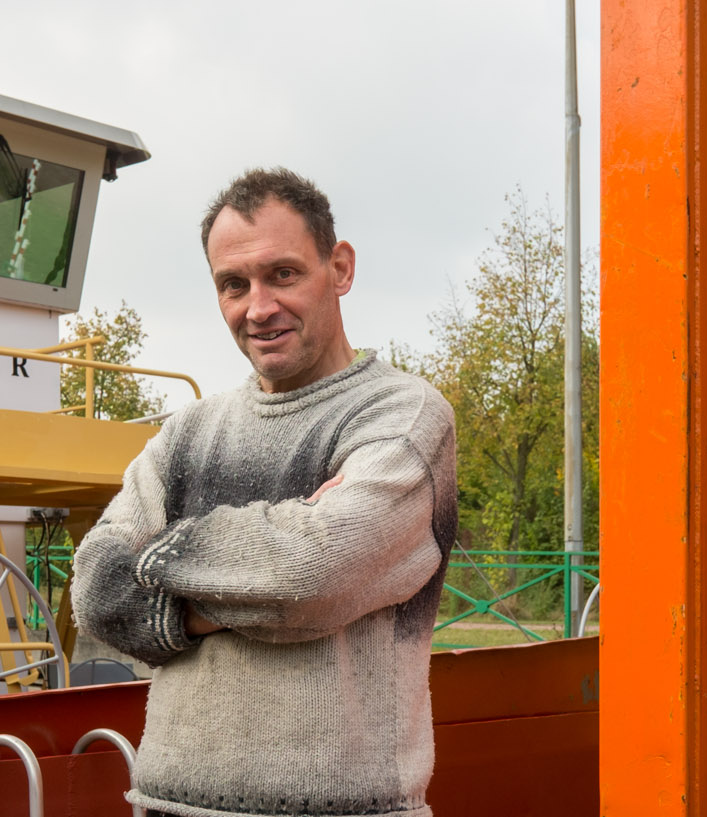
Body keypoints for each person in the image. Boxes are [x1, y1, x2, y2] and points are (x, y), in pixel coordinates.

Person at [69, 167, 456, 817]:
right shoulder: (189, 429)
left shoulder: (405, 418)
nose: (258, 307)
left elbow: (311, 570)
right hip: (166, 803)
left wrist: (159, 556)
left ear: (339, 267)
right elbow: (96, 590)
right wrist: (231, 587)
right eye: (233, 284)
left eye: (283, 274)